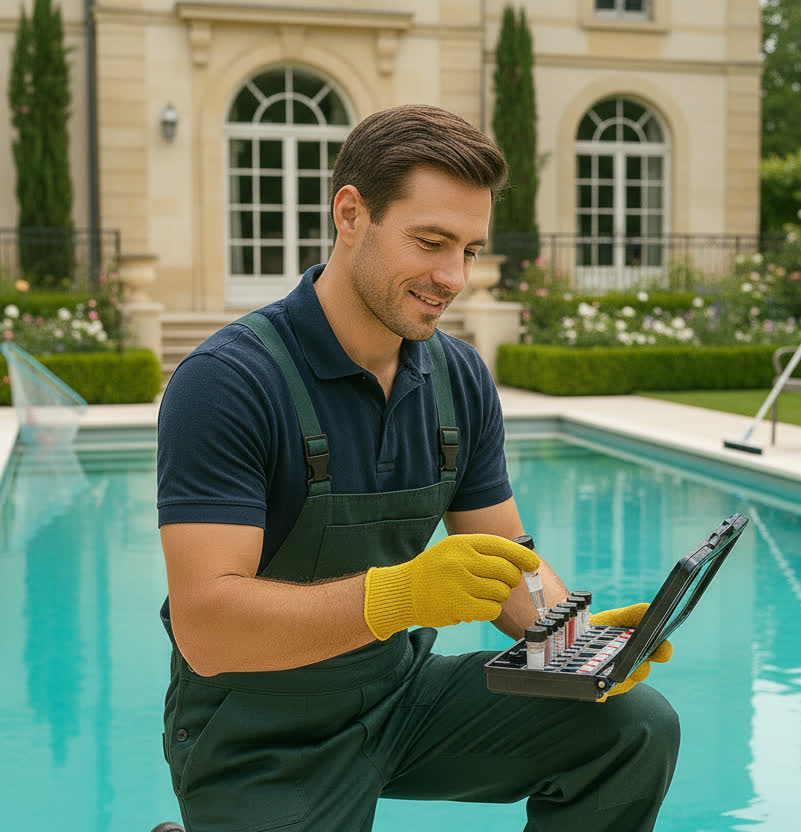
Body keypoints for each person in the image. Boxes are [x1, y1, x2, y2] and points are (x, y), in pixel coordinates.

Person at [156, 104, 680, 831]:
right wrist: (399, 597)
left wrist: (574, 644)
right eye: (431, 242)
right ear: (350, 214)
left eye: (468, 249)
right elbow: (207, 629)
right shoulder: (228, 381)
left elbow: (511, 562)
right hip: (255, 732)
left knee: (632, 724)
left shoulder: (459, 378)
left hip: (397, 698)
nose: (453, 276)